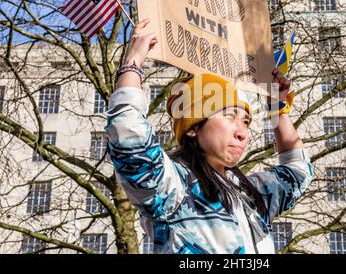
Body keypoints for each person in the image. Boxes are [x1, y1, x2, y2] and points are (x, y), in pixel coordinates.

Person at [105, 18, 314, 254]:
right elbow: (128, 132)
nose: (242, 132)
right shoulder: (173, 187)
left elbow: (298, 172)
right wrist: (133, 63)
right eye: (229, 116)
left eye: (245, 121)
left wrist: (278, 110)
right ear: (194, 127)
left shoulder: (250, 194)